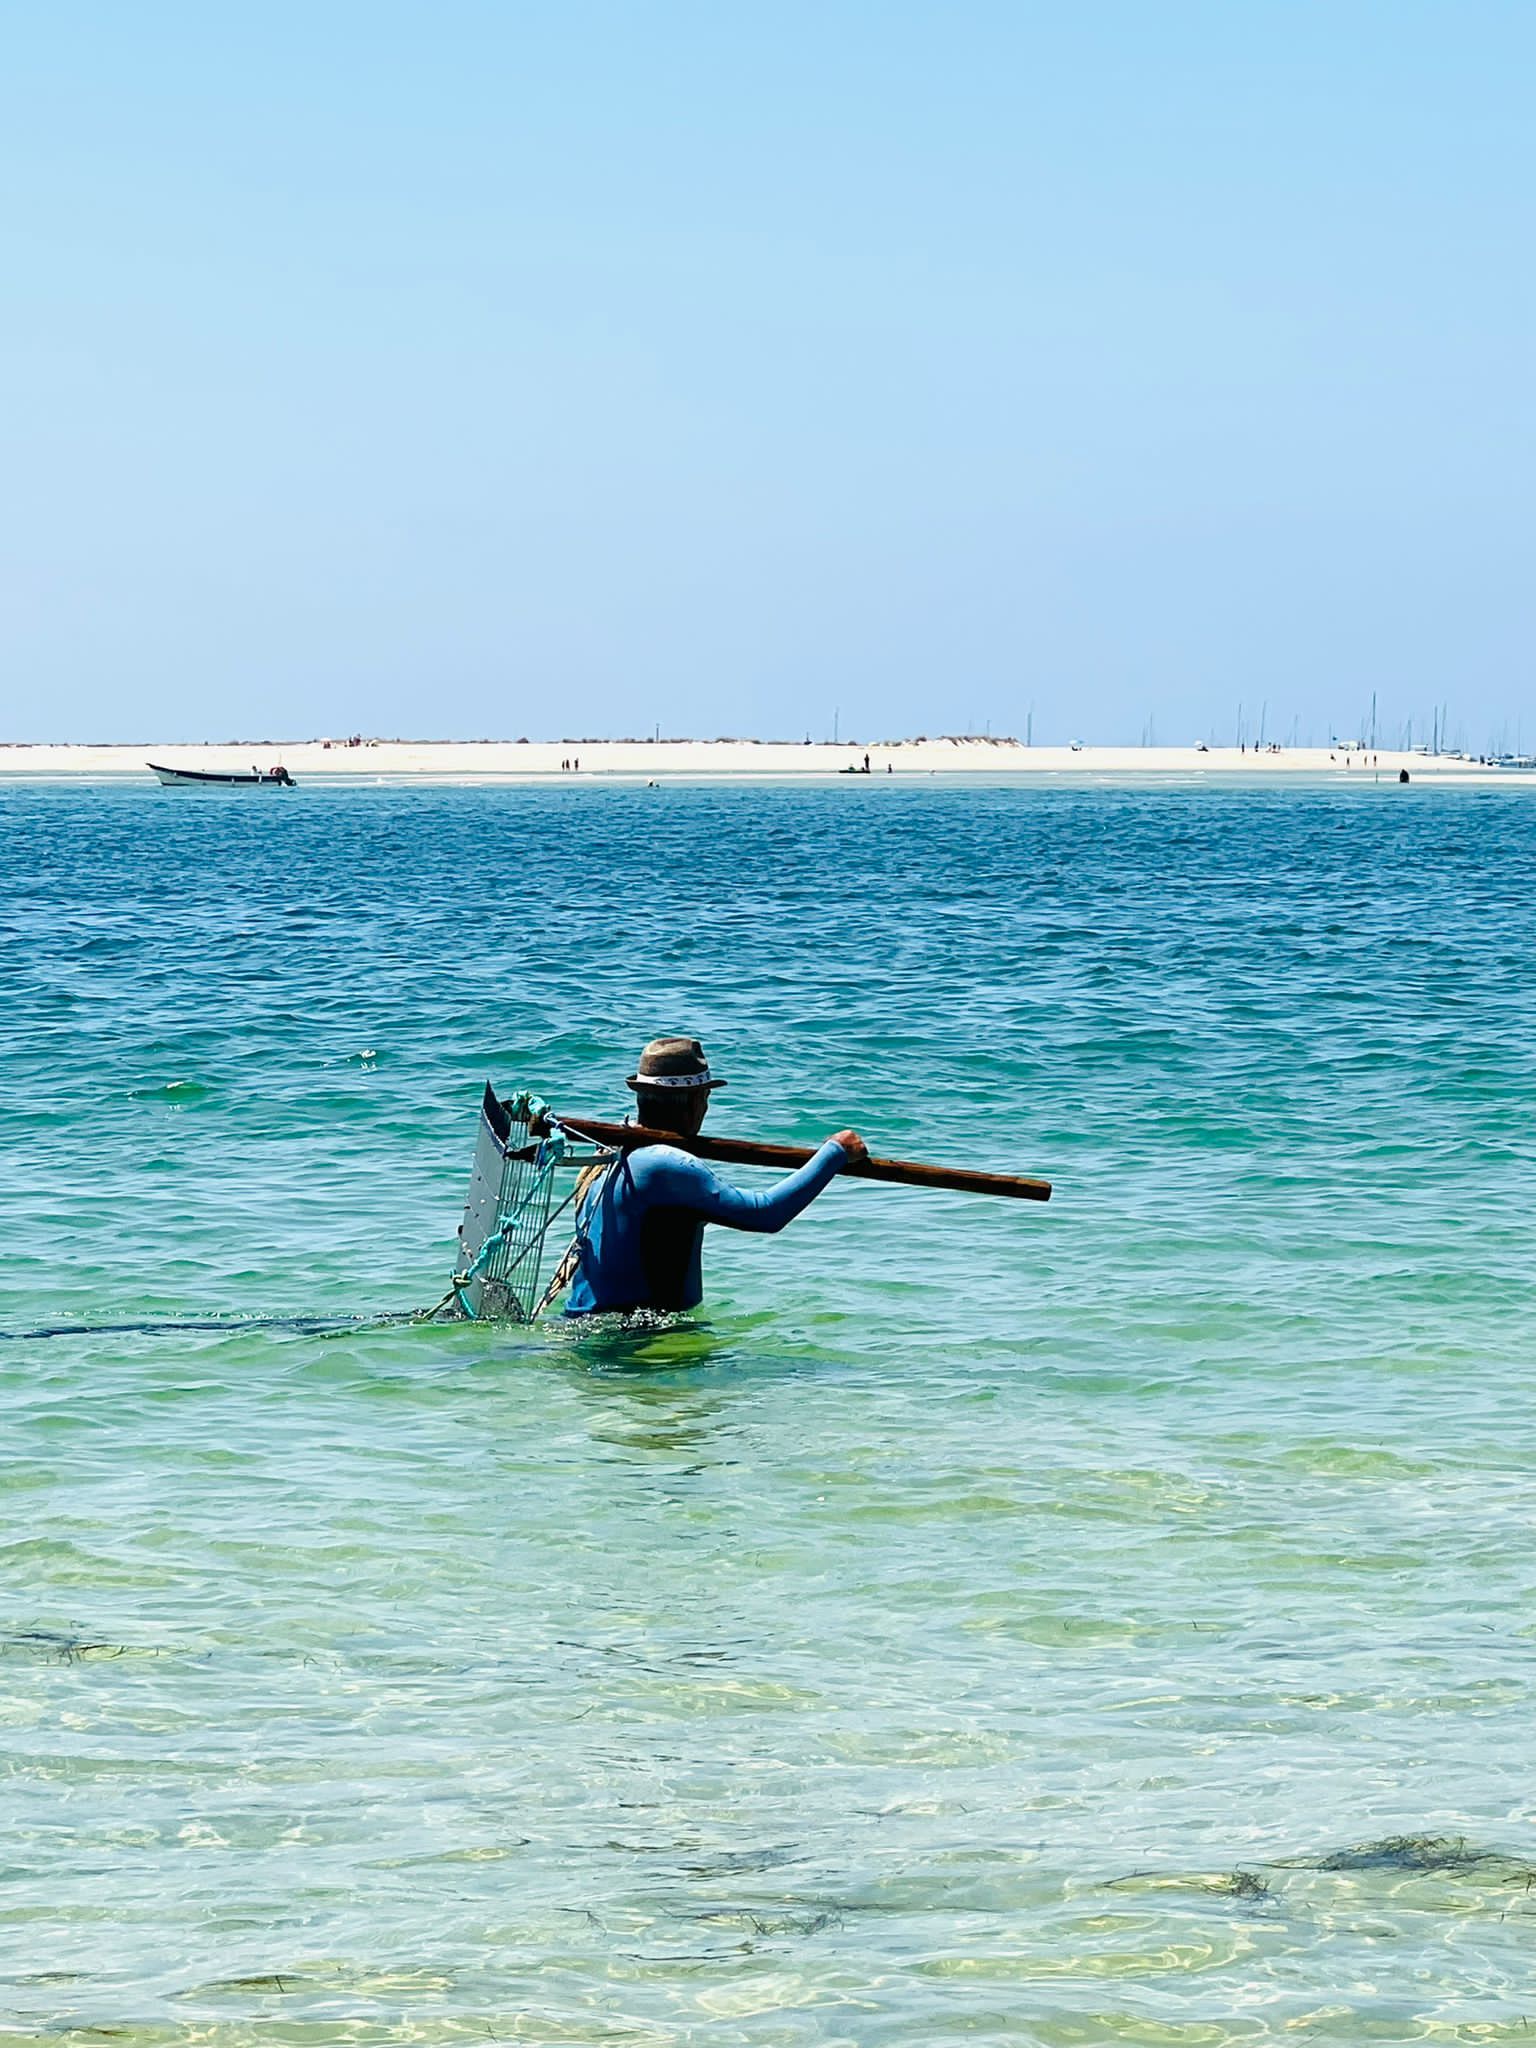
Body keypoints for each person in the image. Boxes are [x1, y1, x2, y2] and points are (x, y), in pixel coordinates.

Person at [564, 1037, 866, 1315]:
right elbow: (766, 1214)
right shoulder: (664, 1165)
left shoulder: (610, 1152)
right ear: (696, 1100)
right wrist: (834, 1152)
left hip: (586, 1324)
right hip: (634, 1337)